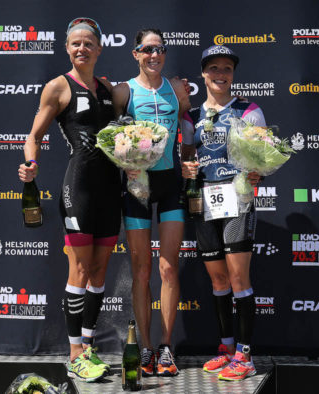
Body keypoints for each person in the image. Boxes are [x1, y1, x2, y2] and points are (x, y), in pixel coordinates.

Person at [17, 17, 117, 383]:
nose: (81, 48)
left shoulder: (108, 88)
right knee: (79, 270)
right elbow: (33, 136)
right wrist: (30, 166)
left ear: (99, 48)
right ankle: (74, 352)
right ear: (67, 48)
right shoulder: (57, 88)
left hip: (111, 189)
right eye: (75, 43)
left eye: (88, 43)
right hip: (80, 188)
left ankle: (88, 346)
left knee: (100, 272)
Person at [181, 45, 265, 381]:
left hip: (237, 196)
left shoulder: (248, 110)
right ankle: (227, 348)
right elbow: (187, 154)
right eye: (213, 68)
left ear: (233, 73)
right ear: (203, 73)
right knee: (218, 280)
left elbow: (262, 153)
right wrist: (187, 169)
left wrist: (259, 169)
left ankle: (245, 356)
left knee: (238, 278)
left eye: (226, 68)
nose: (220, 74)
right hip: (203, 199)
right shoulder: (191, 116)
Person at [111, 28, 191, 377]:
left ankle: (166, 347)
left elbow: (187, 124)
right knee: (142, 271)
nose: (154, 55)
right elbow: (111, 136)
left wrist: (189, 158)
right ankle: (144, 347)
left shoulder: (177, 89)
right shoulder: (123, 91)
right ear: (135, 54)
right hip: (137, 187)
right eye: (147, 49)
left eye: (159, 49)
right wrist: (124, 164)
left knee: (169, 267)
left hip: (170, 183)